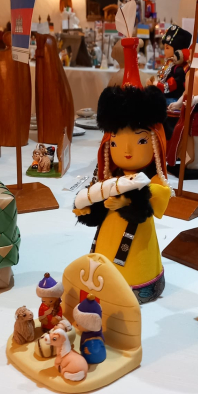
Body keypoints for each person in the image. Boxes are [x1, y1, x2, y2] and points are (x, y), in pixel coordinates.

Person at [73, 37, 171, 304]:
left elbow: (158, 199)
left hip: (138, 246)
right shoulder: (111, 178)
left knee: (136, 257)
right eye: (115, 142)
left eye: (140, 141)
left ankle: (141, 286)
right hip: (108, 240)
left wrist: (129, 201)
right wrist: (89, 209)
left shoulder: (152, 180)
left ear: (155, 142)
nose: (126, 150)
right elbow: (96, 198)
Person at [149, 25, 192, 106]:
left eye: (167, 48)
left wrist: (156, 85)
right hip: (166, 97)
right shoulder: (170, 63)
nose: (165, 51)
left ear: (177, 50)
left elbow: (170, 86)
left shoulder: (180, 69)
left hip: (174, 99)